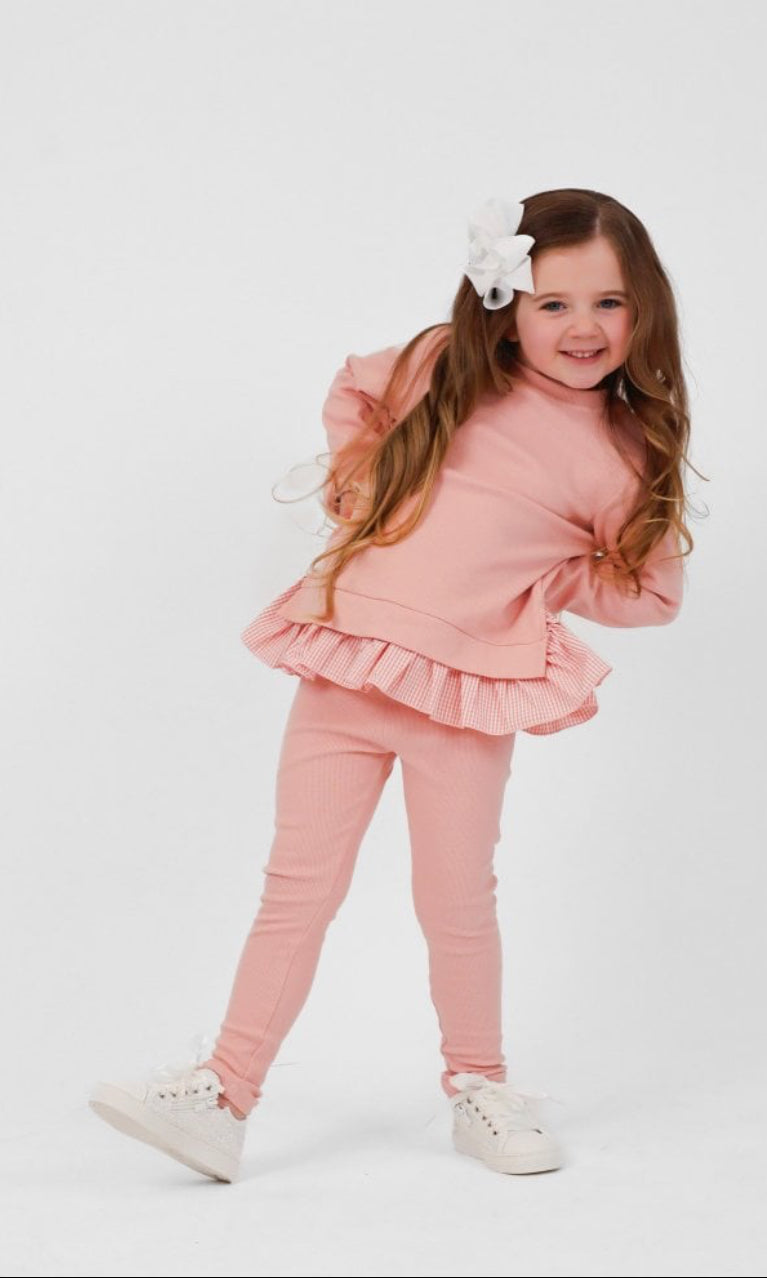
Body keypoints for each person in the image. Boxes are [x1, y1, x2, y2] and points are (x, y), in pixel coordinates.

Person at [89, 189, 697, 1183]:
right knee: (296, 887)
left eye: (609, 303)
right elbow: (353, 389)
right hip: (348, 667)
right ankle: (223, 1094)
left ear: (644, 310)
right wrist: (362, 477)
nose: (582, 327)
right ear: (506, 304)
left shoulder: (622, 451)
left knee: (453, 899)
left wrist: (546, 577)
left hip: (464, 695)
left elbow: (652, 593)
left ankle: (480, 1085)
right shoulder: (440, 366)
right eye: (552, 303)